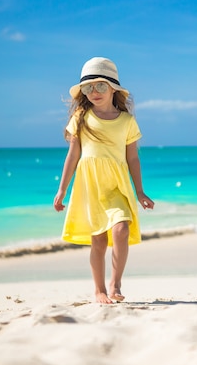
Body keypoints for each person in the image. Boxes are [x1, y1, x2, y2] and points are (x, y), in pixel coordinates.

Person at [54, 57, 154, 304]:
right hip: (90, 185)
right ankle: (98, 290)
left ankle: (115, 283)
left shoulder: (127, 121)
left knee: (121, 227)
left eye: (100, 86)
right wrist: (62, 190)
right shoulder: (80, 118)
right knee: (98, 239)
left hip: (117, 184)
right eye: (88, 88)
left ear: (113, 88)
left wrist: (140, 192)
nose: (94, 92)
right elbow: (73, 155)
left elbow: (133, 159)